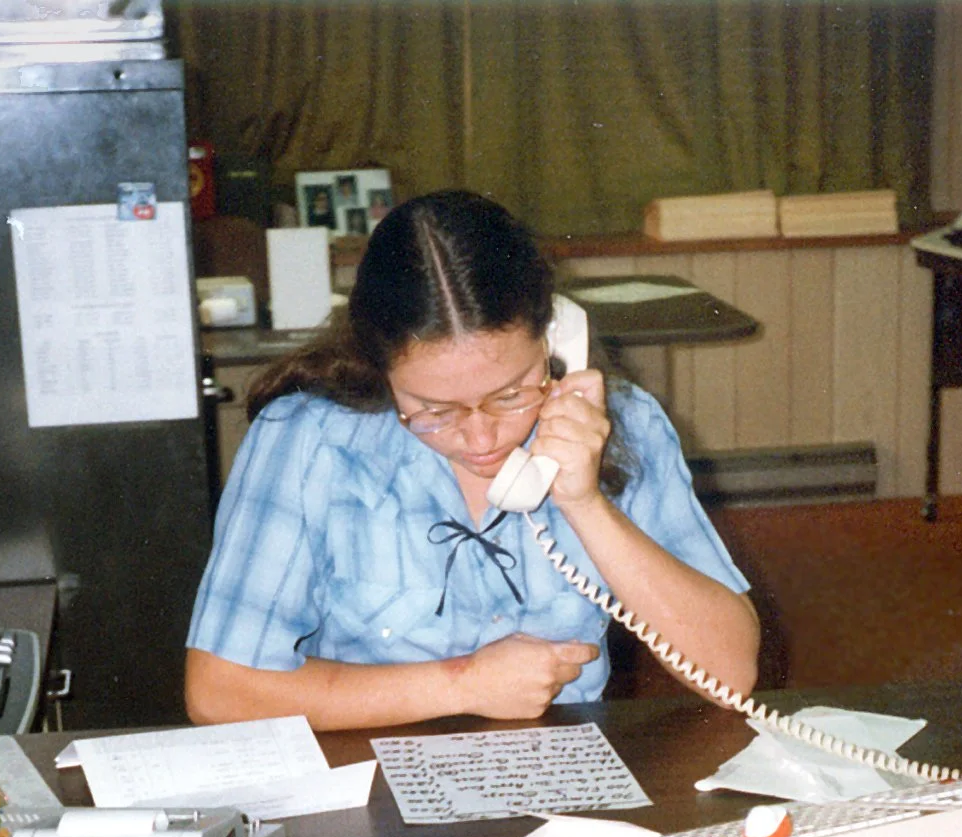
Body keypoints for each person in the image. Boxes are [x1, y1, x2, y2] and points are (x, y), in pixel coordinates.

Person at [185, 190, 758, 728]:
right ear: (380, 369)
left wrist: (585, 502)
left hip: (561, 779)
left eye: (510, 395)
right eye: (434, 409)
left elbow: (730, 674)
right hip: (370, 776)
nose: (481, 438)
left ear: (556, 342)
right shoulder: (308, 440)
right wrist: (463, 685)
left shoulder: (619, 422)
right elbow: (218, 691)